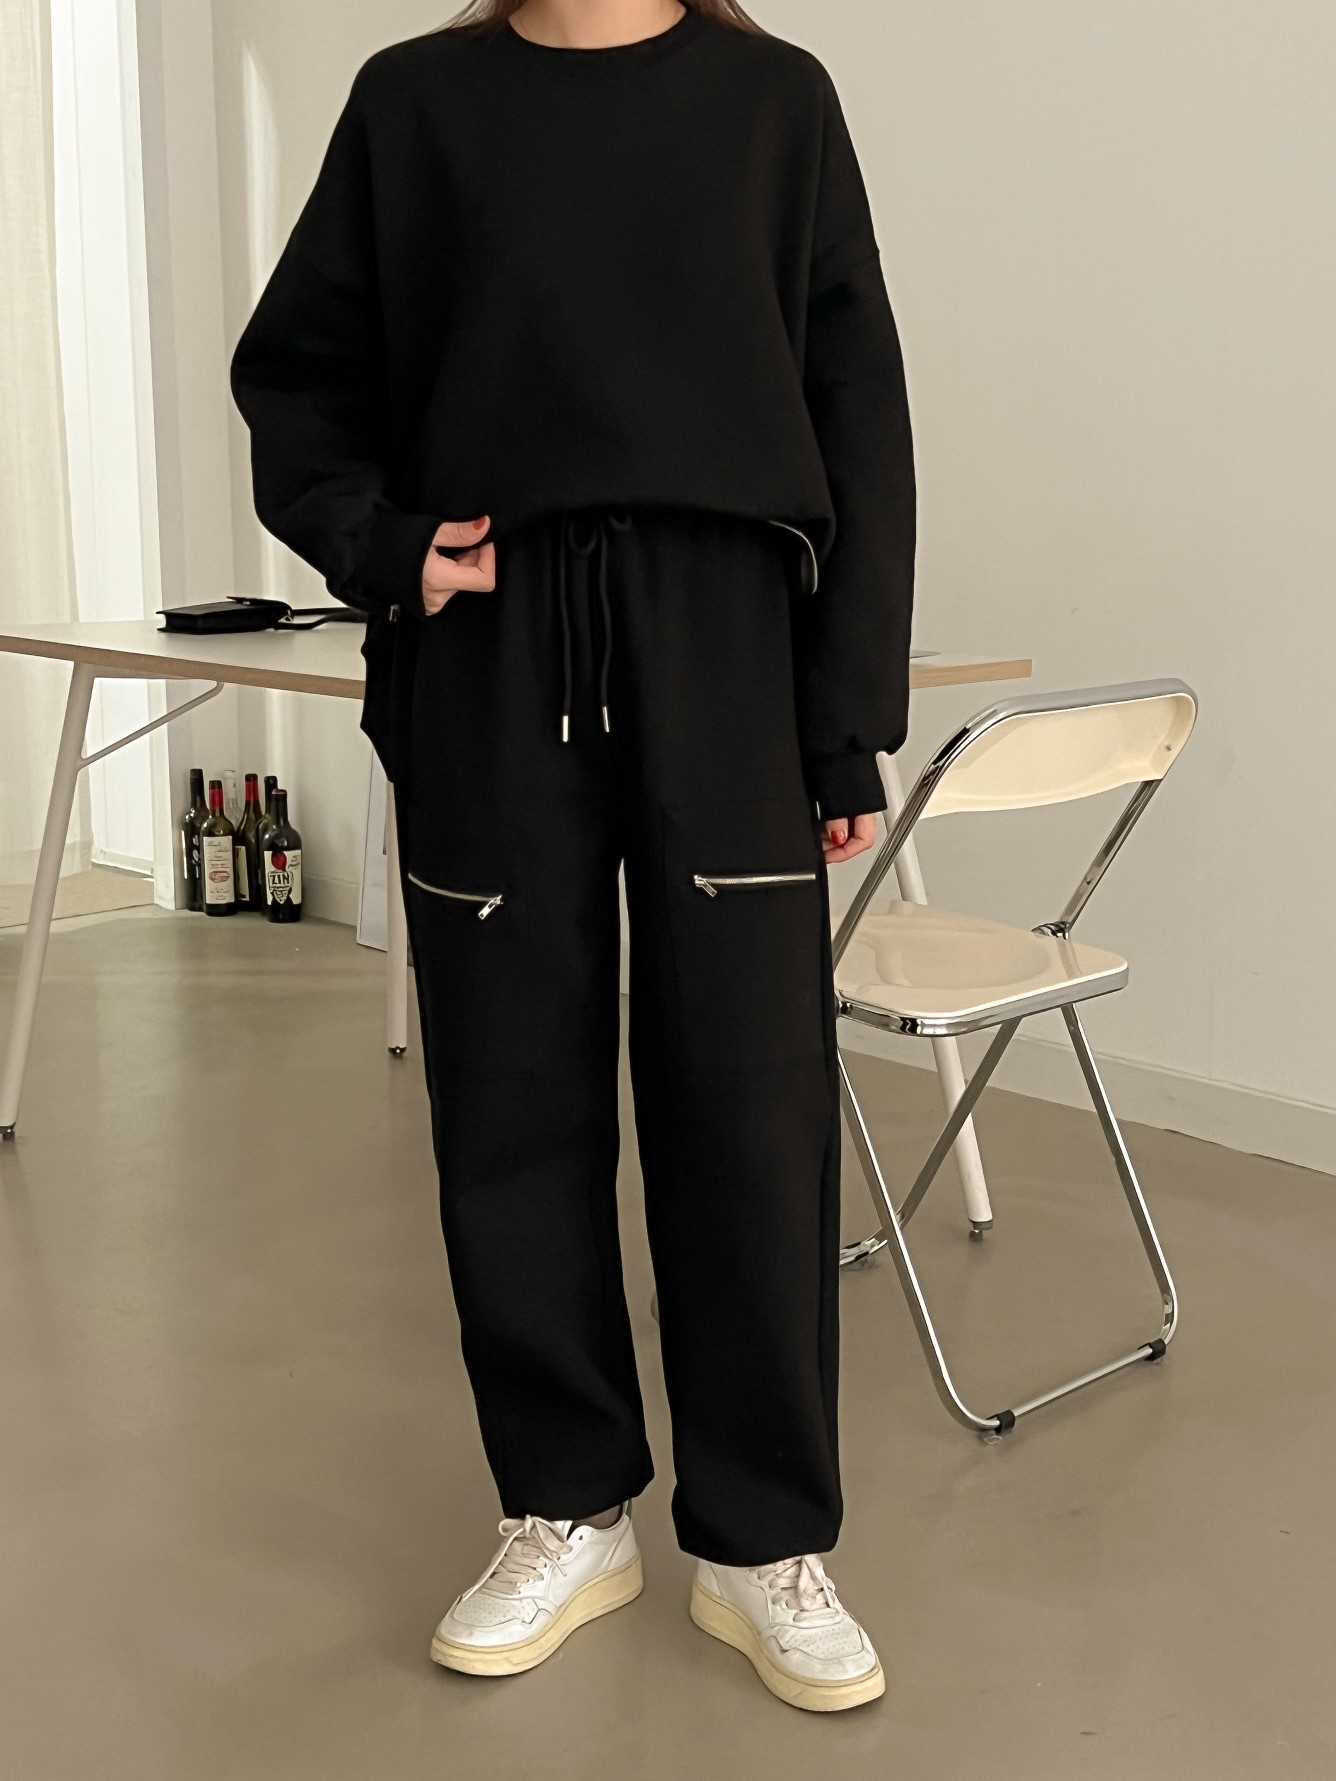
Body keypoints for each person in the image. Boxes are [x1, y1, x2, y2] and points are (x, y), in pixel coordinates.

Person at [231, 0, 914, 1714]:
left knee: (749, 1097)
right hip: (493, 637)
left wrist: (842, 721)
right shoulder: (415, 104)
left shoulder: (774, 102)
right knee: (509, 1088)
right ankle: (565, 1504)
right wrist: (384, 543)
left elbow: (859, 412)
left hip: (727, 640)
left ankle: (761, 1539)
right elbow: (297, 373)